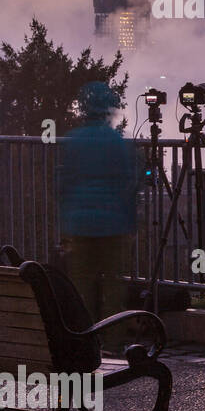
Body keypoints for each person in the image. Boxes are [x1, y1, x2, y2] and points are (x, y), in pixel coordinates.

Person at [57, 81, 138, 322]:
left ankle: (84, 335)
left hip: (79, 224)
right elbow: (128, 185)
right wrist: (131, 223)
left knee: (81, 284)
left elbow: (64, 182)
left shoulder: (74, 139)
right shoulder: (117, 142)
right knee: (113, 285)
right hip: (112, 224)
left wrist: (66, 220)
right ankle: (112, 337)